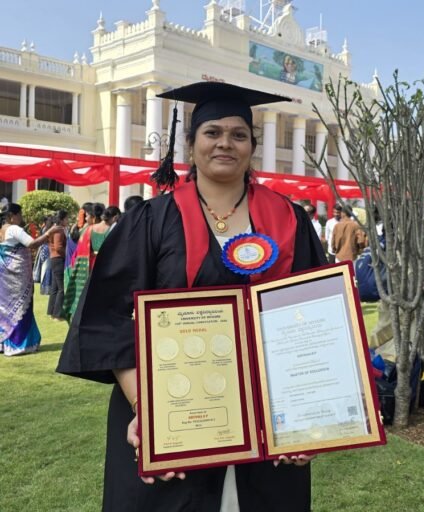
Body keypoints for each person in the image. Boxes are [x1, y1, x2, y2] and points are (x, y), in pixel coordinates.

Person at [57, 81, 326, 512]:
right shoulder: (152, 220)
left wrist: (306, 415)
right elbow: (108, 319)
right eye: (212, 132)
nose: (225, 143)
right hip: (173, 413)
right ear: (190, 143)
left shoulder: (289, 219)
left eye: (239, 135)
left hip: (268, 422)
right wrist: (148, 410)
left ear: (252, 147)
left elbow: (313, 321)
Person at [0, 203, 59, 355]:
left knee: (6, 309)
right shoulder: (14, 229)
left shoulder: (2, 229)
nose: (22, 217)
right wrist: (50, 232)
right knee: (21, 308)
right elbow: (32, 244)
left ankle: (5, 343)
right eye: (20, 214)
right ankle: (20, 345)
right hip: (17, 279)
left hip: (6, 278)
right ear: (12, 216)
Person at [61, 203, 116, 322]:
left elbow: (79, 252)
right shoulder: (112, 230)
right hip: (106, 266)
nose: (86, 219)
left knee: (87, 296)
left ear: (94, 217)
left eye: (87, 216)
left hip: (89, 267)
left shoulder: (88, 230)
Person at [46, 210, 68, 321]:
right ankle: (57, 315)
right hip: (58, 259)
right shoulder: (58, 230)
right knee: (61, 288)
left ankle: (51, 312)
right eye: (66, 218)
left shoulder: (54, 229)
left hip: (54, 258)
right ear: (62, 219)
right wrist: (67, 255)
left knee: (55, 288)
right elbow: (58, 247)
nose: (68, 220)